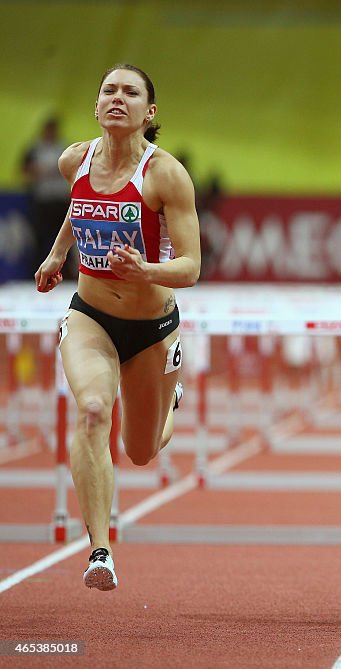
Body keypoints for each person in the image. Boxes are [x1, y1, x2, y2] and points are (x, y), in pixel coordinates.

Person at [34, 64, 201, 591]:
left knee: (141, 451)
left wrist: (145, 270)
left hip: (151, 326)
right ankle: (100, 551)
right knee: (91, 411)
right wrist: (59, 254)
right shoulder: (73, 160)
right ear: (96, 105)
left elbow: (192, 267)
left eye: (130, 93)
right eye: (108, 90)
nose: (117, 99)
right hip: (91, 316)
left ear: (148, 113)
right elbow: (78, 207)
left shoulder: (165, 175)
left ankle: (169, 399)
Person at [21, 116, 74, 279]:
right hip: (42, 200)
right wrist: (38, 170)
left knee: (65, 239)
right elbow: (24, 170)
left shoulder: (64, 148)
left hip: (60, 200)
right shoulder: (35, 149)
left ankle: (67, 274)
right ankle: (35, 272)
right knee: (39, 238)